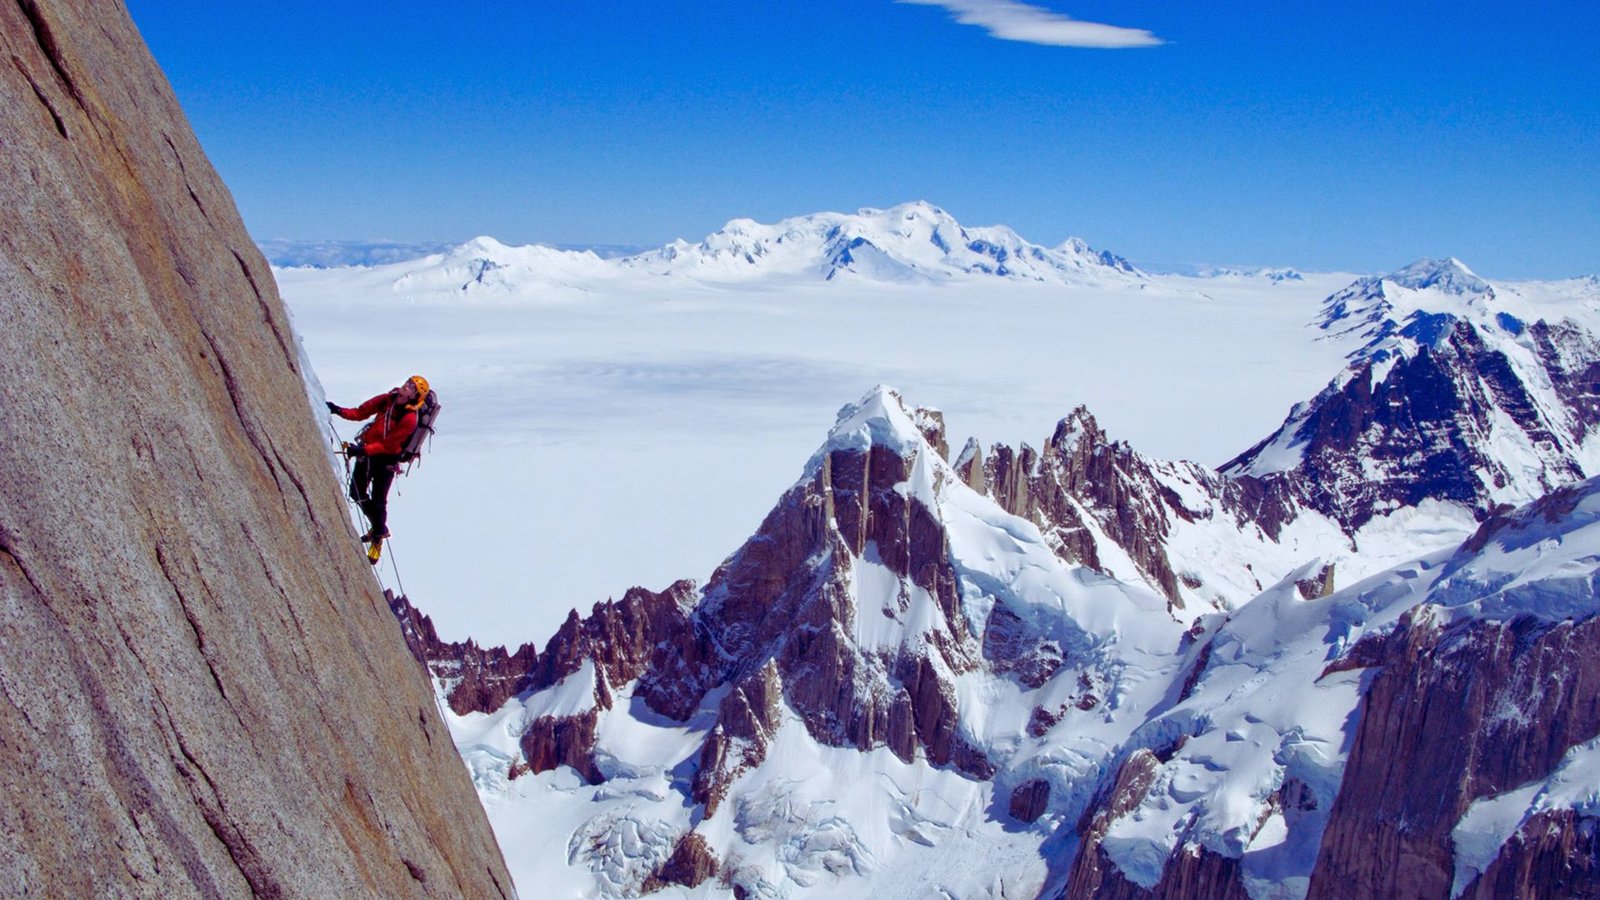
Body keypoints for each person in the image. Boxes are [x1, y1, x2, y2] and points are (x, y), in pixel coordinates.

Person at [326, 375, 429, 561]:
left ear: (415, 396)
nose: (407, 386)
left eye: (412, 387)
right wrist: (338, 410)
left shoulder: (409, 419)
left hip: (386, 461)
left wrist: (362, 451)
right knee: (356, 493)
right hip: (368, 453)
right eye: (409, 382)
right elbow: (361, 412)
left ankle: (378, 537)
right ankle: (379, 527)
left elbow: (389, 446)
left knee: (379, 500)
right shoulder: (388, 399)